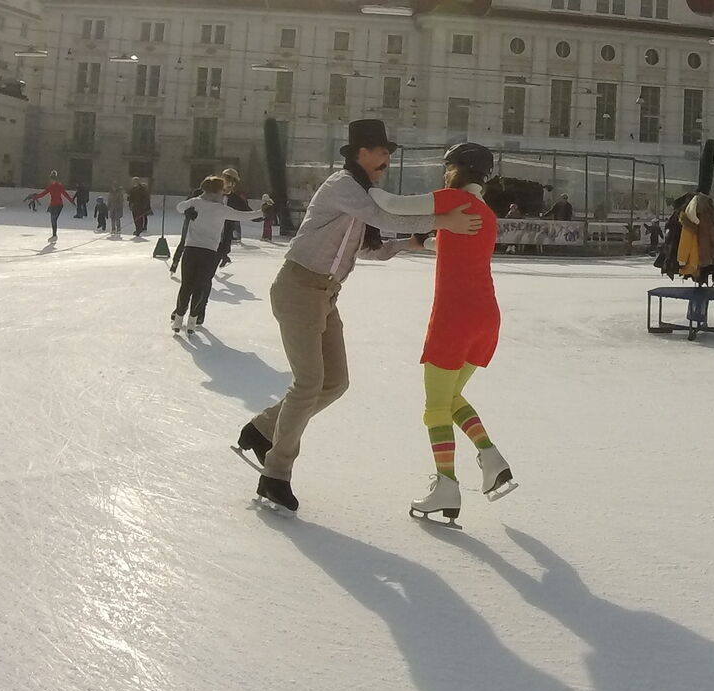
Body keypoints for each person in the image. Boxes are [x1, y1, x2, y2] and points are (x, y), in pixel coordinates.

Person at [235, 119, 483, 513]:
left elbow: (368, 248)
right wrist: (442, 220)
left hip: (325, 295)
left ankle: (263, 428)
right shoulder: (343, 186)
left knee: (335, 382)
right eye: (381, 152)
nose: (387, 159)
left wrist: (409, 244)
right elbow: (385, 217)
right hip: (298, 288)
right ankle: (275, 475)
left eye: (388, 153)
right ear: (360, 153)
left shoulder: (364, 194)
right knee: (308, 383)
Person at [367, 142, 515, 524]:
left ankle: (447, 485)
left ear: (458, 170)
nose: (444, 173)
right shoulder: (486, 213)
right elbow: (455, 247)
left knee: (435, 408)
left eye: (447, 167)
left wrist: (361, 185)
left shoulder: (452, 199)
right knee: (450, 398)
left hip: (454, 319)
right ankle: (491, 458)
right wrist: (424, 241)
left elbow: (393, 205)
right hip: (486, 318)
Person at [170, 176, 264, 334]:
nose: (223, 193)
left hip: (191, 250)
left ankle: (179, 320)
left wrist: (187, 210)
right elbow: (243, 215)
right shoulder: (221, 209)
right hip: (209, 253)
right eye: (221, 190)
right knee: (199, 286)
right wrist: (263, 212)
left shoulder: (195, 202)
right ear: (215, 191)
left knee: (187, 285)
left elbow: (179, 207)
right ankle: (191, 321)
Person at [216, 167, 250, 268]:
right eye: (227, 181)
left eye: (232, 183)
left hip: (224, 236)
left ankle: (224, 258)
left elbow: (248, 212)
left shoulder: (236, 199)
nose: (229, 185)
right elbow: (193, 200)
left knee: (219, 254)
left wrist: (264, 213)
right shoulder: (210, 194)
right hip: (207, 237)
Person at [30, 171, 76, 242]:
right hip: (52, 205)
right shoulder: (50, 187)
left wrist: (71, 201)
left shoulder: (59, 186)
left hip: (59, 205)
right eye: (50, 180)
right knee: (53, 219)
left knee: (54, 219)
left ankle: (54, 235)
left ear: (55, 179)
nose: (51, 181)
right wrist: (35, 197)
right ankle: (54, 235)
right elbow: (43, 193)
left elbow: (65, 194)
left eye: (52, 180)